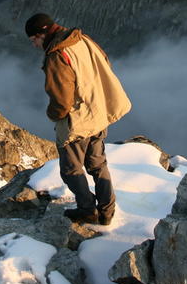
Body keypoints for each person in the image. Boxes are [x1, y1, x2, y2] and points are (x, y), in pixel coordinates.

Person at [25, 13, 131, 225]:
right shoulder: (82, 39)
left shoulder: (57, 54)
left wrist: (53, 115)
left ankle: (87, 210)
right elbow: (105, 62)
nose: (35, 45)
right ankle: (107, 211)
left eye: (34, 40)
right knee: (98, 164)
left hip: (78, 121)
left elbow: (62, 100)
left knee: (70, 169)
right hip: (99, 112)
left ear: (41, 34)